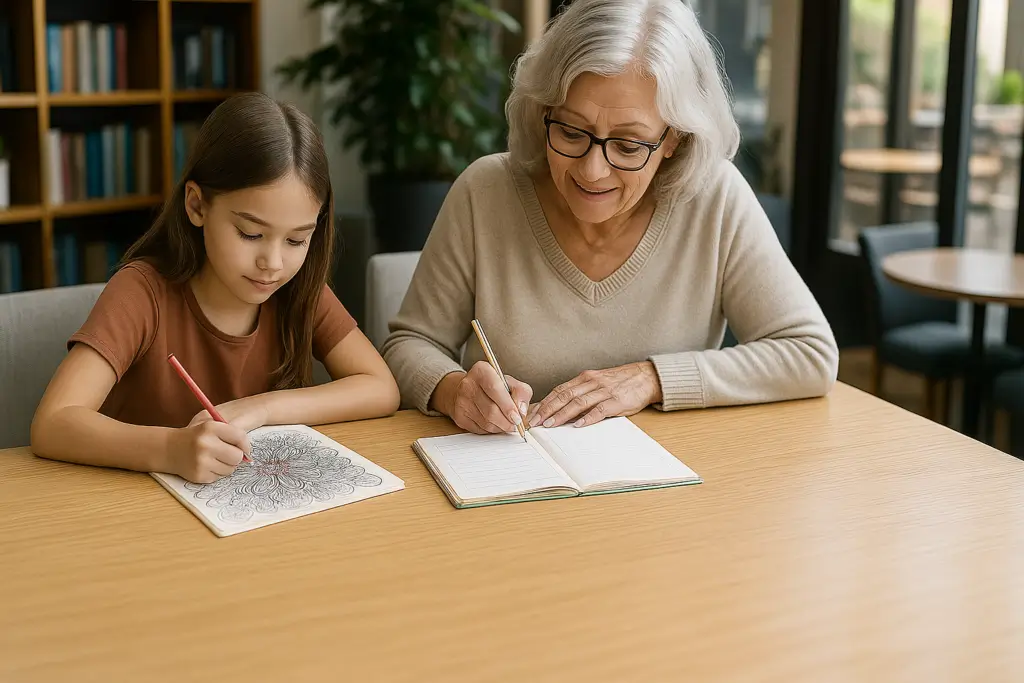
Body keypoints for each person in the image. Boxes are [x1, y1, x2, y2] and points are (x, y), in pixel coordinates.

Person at [382, 0, 838, 436]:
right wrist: (454, 390)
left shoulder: (713, 197)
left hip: (673, 489)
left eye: (628, 145)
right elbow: (409, 346)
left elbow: (810, 354)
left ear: (675, 138)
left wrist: (650, 379)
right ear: (544, 110)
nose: (591, 170)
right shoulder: (486, 192)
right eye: (571, 130)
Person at [31, 93, 400, 483]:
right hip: (139, 513)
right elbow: (53, 422)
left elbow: (381, 388)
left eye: (296, 241)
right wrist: (171, 449)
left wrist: (261, 409)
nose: (273, 263)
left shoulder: (297, 288)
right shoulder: (141, 293)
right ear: (196, 205)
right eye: (250, 233)